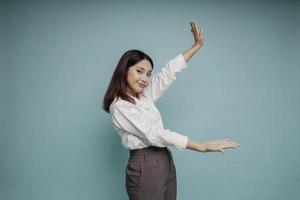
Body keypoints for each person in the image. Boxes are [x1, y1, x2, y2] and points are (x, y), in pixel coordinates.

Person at [102, 21, 240, 200]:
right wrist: (201, 146)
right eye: (139, 71)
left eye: (148, 73)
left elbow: (167, 73)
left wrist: (195, 47)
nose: (145, 78)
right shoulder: (120, 106)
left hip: (164, 159)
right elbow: (155, 135)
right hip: (145, 164)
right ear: (124, 71)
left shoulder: (143, 97)